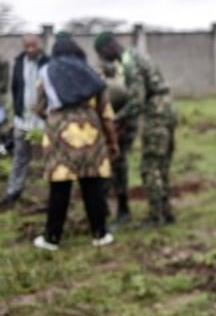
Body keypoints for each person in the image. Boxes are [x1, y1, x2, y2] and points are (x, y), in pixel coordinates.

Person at [32, 36, 118, 250]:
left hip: (59, 137)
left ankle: (52, 238)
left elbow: (39, 107)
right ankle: (100, 234)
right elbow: (106, 114)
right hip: (91, 135)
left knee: (60, 187)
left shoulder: (46, 74)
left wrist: (54, 119)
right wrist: (112, 141)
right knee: (92, 185)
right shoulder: (94, 75)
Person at [93, 32, 176, 226]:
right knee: (162, 164)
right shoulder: (135, 55)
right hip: (167, 108)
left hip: (156, 113)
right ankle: (166, 212)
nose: (103, 58)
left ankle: (156, 217)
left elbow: (136, 102)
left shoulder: (130, 64)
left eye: (101, 53)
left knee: (150, 166)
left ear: (108, 47)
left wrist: (114, 120)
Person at [2, 34, 49, 207]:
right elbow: (15, 88)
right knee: (20, 156)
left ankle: (52, 193)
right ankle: (13, 190)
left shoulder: (47, 63)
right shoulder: (19, 63)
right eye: (27, 46)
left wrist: (45, 108)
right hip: (23, 119)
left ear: (39, 45)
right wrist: (16, 111)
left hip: (43, 118)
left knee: (48, 155)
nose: (30, 50)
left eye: (33, 46)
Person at [100, 59, 138, 224]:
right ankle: (116, 208)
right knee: (116, 169)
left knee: (114, 169)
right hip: (120, 131)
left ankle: (120, 210)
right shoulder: (118, 85)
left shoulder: (111, 88)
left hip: (118, 132)